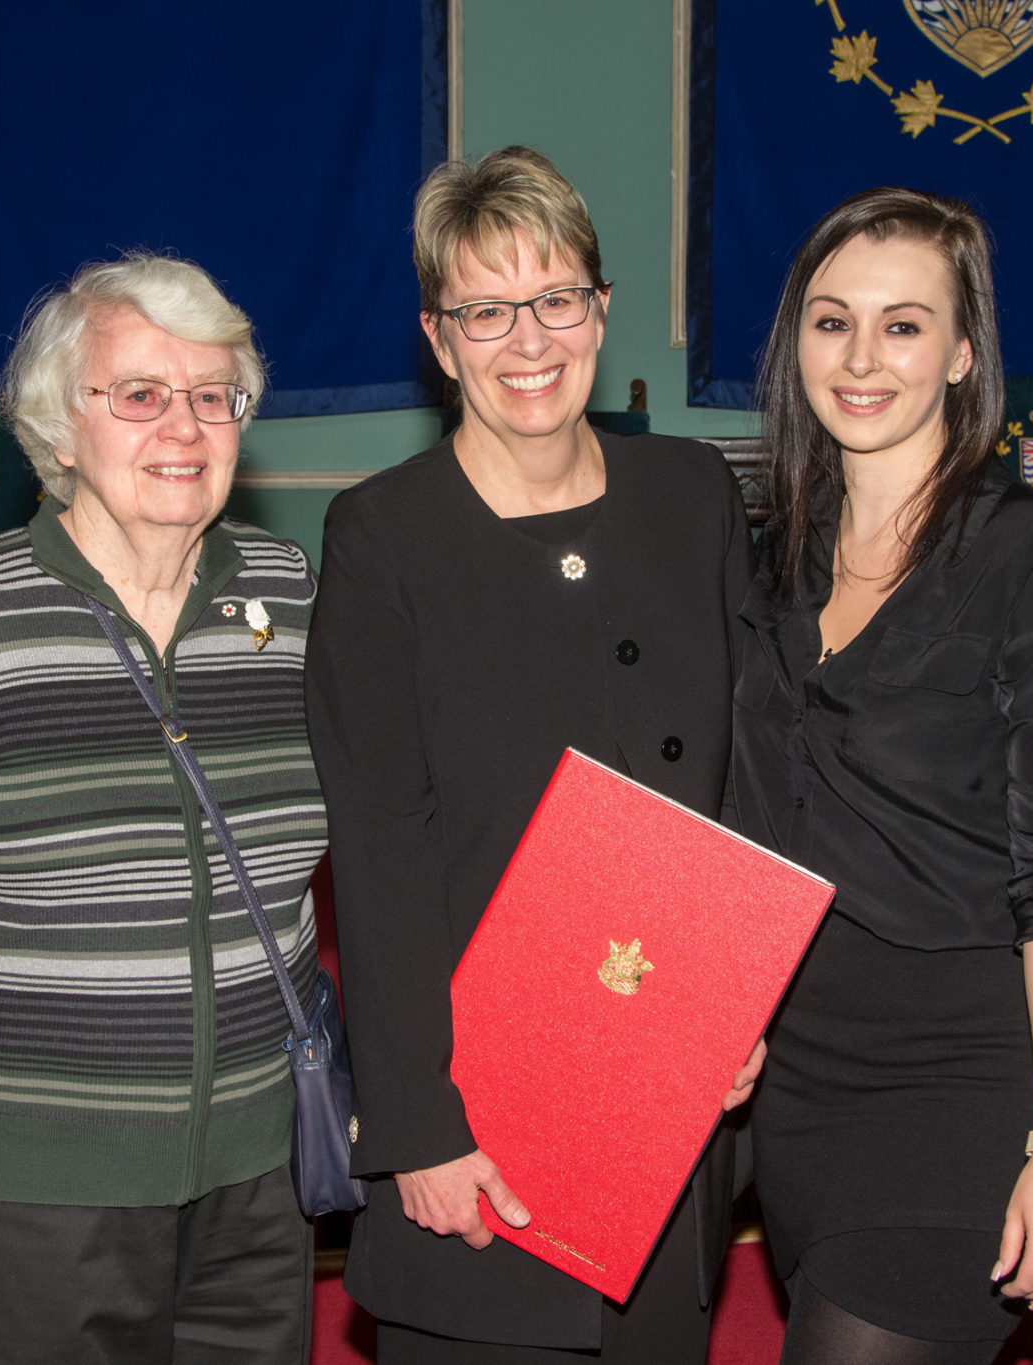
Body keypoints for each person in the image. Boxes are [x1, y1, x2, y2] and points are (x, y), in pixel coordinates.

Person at [0, 252, 326, 1363]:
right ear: (59, 427)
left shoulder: (292, 602)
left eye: (213, 396)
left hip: (255, 1185)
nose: (183, 427)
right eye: (138, 394)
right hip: (19, 1191)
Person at [304, 146, 760, 1364]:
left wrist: (741, 998)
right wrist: (417, 1126)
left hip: (669, 1078)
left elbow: (746, 779)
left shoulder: (692, 495)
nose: (528, 341)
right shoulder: (381, 537)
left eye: (556, 298)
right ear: (437, 339)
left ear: (600, 311)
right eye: (485, 311)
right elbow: (380, 855)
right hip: (486, 1102)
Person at [727, 187, 1033, 1364]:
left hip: (951, 1075)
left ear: (963, 353)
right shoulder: (766, 560)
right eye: (830, 322)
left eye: (902, 325)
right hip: (781, 1074)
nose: (860, 358)